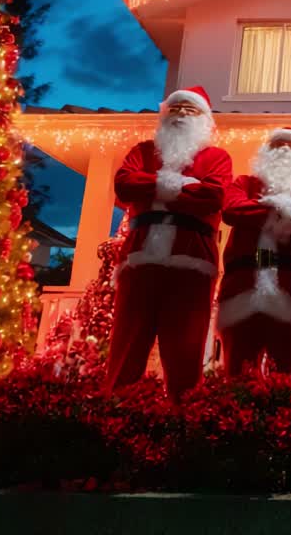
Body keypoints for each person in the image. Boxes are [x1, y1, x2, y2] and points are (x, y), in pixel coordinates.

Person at [105, 86, 231, 401]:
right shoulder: (142, 152)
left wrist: (153, 186)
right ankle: (114, 417)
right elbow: (124, 184)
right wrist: (182, 184)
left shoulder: (216, 158)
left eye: (190, 110)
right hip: (140, 262)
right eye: (175, 109)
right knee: (126, 349)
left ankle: (183, 419)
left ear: (204, 119)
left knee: (185, 355)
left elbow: (213, 196)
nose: (181, 115)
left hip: (191, 266)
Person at [216, 127, 291, 378]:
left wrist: (260, 211)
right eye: (278, 146)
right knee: (238, 374)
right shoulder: (245, 183)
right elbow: (232, 209)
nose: (284, 151)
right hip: (242, 288)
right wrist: (281, 209)